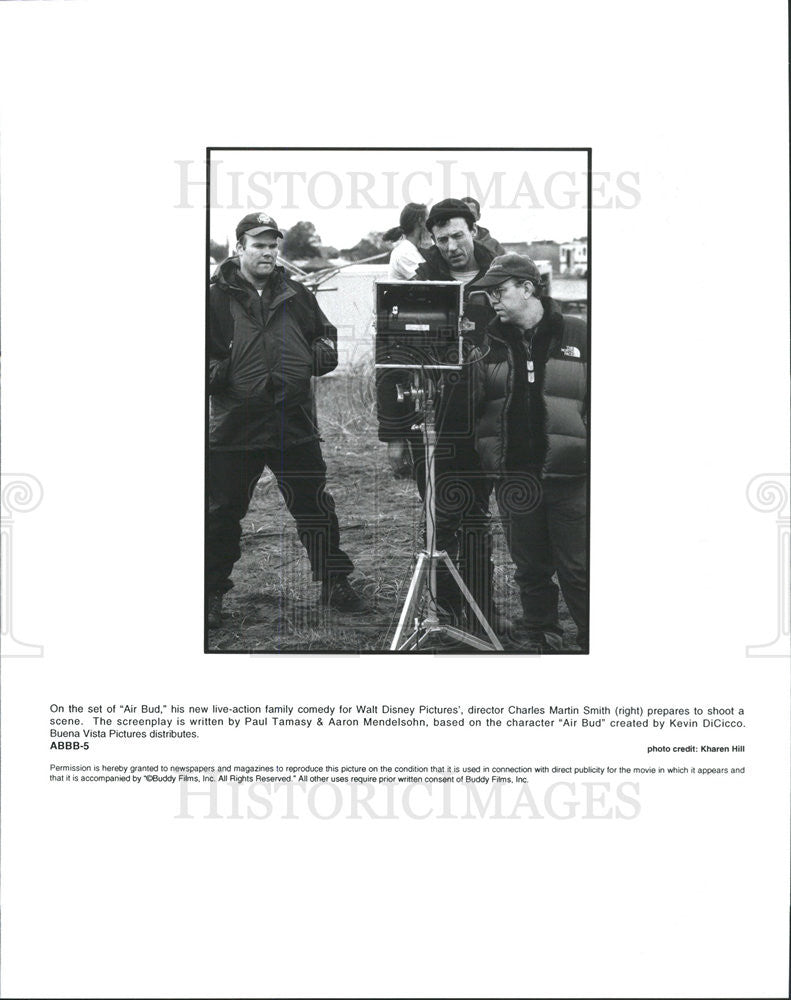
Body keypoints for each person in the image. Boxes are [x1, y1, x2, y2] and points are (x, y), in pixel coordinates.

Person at [206, 212, 367, 628]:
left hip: (291, 421)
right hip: (233, 426)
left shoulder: (296, 293)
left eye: (273, 245)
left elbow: (324, 334)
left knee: (314, 507)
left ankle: (334, 582)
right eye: (258, 244)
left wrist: (320, 355)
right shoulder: (212, 298)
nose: (267, 252)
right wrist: (218, 373)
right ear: (239, 247)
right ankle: (209, 594)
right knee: (220, 514)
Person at [376, 198, 501, 632]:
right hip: (434, 426)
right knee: (440, 520)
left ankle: (482, 611)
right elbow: (393, 358)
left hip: (488, 423)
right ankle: (444, 613)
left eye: (458, 235)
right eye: (441, 237)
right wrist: (393, 433)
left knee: (478, 522)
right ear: (431, 238)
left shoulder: (501, 277)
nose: (450, 245)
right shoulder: (420, 283)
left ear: (475, 229)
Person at [468, 254, 588, 651]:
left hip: (571, 473)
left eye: (500, 291)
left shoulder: (580, 334)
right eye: (489, 294)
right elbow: (471, 405)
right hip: (514, 475)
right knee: (530, 567)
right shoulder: (486, 343)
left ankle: (592, 638)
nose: (493, 301)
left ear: (527, 288)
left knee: (579, 567)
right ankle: (541, 632)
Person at [386, 203, 431, 280]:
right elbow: (430, 282)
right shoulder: (405, 252)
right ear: (420, 221)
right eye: (428, 218)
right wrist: (428, 249)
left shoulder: (412, 248)